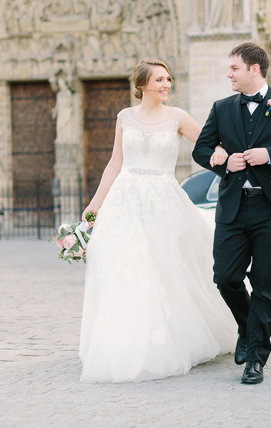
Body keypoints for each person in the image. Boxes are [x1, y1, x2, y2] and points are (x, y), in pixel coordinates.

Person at [79, 58, 234, 383]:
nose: (166, 84)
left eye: (168, 79)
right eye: (160, 80)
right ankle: (127, 344)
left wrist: (222, 154)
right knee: (128, 269)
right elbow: (114, 163)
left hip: (164, 199)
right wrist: (95, 205)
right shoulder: (124, 117)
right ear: (143, 85)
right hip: (127, 199)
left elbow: (207, 145)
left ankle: (177, 337)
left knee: (168, 269)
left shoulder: (178, 117)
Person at [192, 43, 271, 384]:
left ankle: (256, 358)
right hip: (233, 206)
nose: (228, 74)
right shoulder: (221, 108)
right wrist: (224, 164)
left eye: (234, 68)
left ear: (254, 70)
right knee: (226, 277)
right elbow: (201, 150)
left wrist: (270, 154)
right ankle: (247, 327)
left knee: (266, 283)